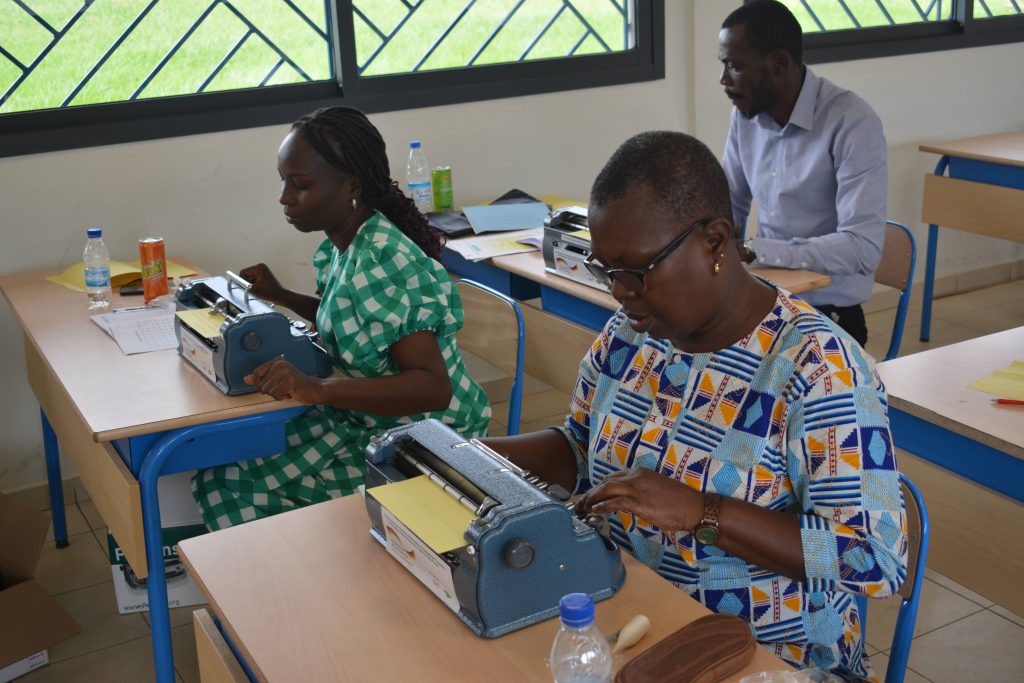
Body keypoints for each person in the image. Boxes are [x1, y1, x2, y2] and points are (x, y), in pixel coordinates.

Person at [485, 131, 906, 681]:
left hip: (768, 658)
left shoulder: (820, 370)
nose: (619, 291)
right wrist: (466, 454)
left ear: (714, 241)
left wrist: (703, 513)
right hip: (632, 615)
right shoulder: (632, 333)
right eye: (606, 270)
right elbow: (581, 445)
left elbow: (874, 560)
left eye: (635, 271)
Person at [192, 106, 490, 531]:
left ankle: (312, 580)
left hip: (427, 442)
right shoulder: (346, 244)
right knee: (221, 472)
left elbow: (432, 387)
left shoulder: (385, 260)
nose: (284, 198)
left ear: (352, 185)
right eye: (283, 181)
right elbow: (355, 324)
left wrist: (318, 388)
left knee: (230, 486)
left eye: (301, 185)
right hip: (369, 420)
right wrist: (281, 296)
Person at [719, 0, 887, 347]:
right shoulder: (746, 116)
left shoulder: (852, 122)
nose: (724, 80)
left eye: (734, 66)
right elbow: (727, 203)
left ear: (778, 63)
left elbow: (862, 249)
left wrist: (754, 250)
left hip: (827, 315)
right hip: (765, 297)